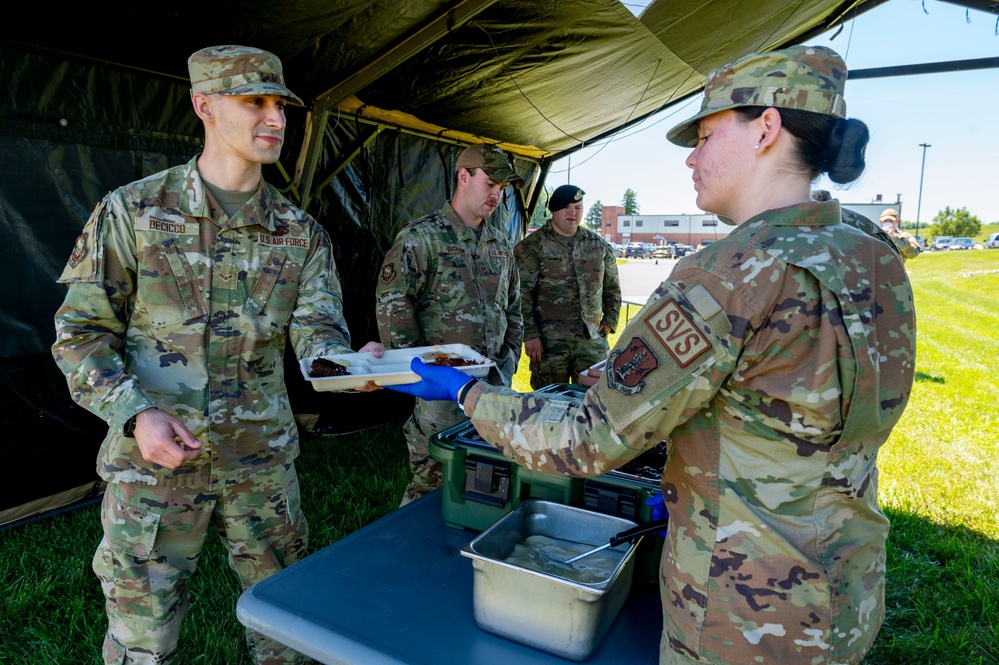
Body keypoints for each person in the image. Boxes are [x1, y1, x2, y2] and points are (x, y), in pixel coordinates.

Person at [390, 45, 916, 665]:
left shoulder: (728, 274)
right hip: (843, 591)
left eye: (707, 133)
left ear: (766, 129)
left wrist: (464, 393)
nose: (692, 157)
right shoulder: (872, 257)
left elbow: (585, 439)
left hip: (739, 613)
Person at [51, 45, 383, 665]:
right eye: (253, 101)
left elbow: (319, 341)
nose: (275, 118)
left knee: (286, 624)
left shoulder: (300, 232)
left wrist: (354, 368)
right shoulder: (135, 212)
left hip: (261, 466)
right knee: (140, 634)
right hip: (151, 466)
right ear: (204, 106)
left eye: (280, 104)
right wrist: (135, 412)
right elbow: (80, 333)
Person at [374, 143, 524, 505]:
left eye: (502, 189)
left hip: (492, 387)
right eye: (490, 183)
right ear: (463, 176)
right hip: (440, 392)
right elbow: (393, 305)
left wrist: (508, 363)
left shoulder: (500, 244)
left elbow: (514, 311)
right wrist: (418, 374)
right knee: (432, 486)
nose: (496, 195)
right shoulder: (422, 237)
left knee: (486, 483)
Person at [516, 184, 621, 389]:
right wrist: (530, 335)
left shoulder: (597, 245)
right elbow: (521, 293)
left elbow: (612, 288)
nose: (572, 213)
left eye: (578, 208)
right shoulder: (532, 246)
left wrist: (609, 321)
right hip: (549, 344)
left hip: (591, 341)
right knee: (549, 403)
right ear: (553, 210)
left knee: (595, 401)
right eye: (566, 207)